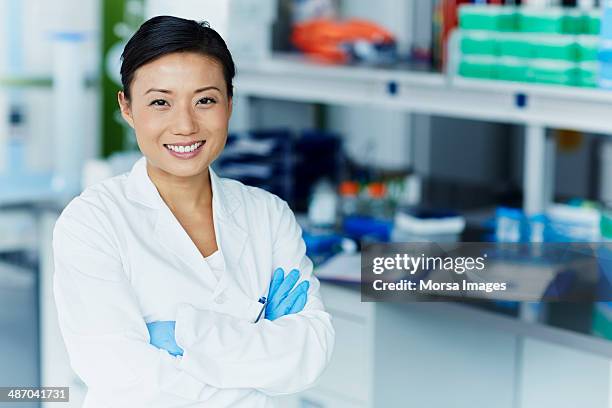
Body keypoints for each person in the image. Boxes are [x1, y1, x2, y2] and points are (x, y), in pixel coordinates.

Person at [52, 15, 334, 408]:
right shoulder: (92, 222)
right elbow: (120, 376)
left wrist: (183, 334)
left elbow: (310, 353)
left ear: (229, 105)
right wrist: (254, 357)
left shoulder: (268, 215)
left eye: (205, 100)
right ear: (128, 107)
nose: (184, 125)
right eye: (160, 102)